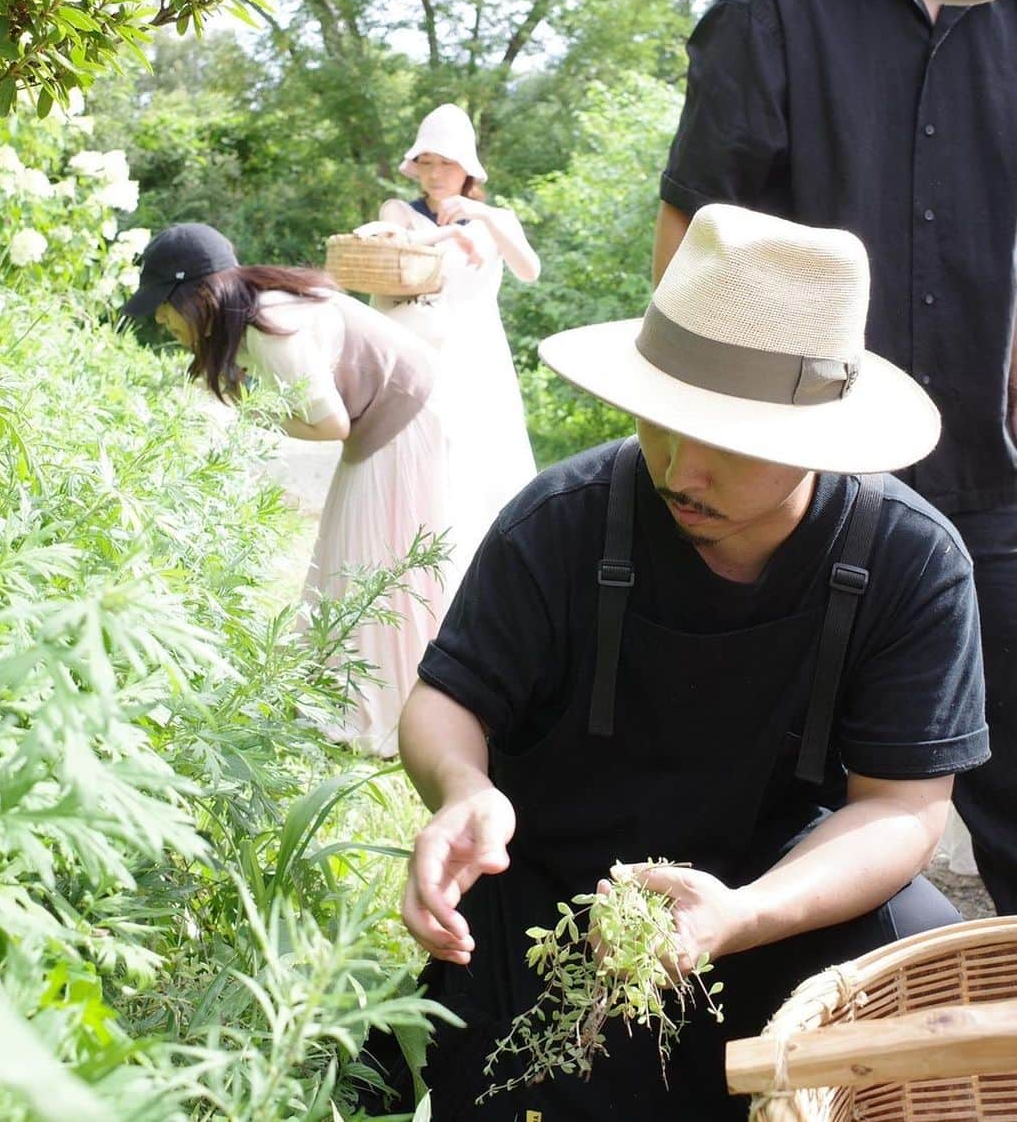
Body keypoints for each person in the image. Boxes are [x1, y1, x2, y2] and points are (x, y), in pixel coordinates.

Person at [390, 206, 987, 1120]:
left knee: (927, 962)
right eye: (663, 423)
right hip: (565, 912)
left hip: (785, 904)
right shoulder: (561, 521)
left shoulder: (912, 561)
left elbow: (902, 808)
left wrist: (743, 915)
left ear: (815, 440)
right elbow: (446, 700)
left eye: (727, 442)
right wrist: (465, 789)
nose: (680, 470)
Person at [653, 0, 1017, 914]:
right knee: (761, 826)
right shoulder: (774, 5)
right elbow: (686, 250)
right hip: (806, 497)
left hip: (996, 486)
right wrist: (690, 463)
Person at [122, 222, 454, 757]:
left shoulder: (269, 326)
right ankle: (352, 694)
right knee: (352, 555)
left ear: (197, 294)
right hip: (395, 414)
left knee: (373, 563)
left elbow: (331, 424)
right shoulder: (255, 310)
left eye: (164, 304)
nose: (160, 318)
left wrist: (256, 416)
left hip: (404, 417)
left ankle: (382, 710)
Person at [355, 103, 540, 572]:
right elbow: (387, 253)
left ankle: (480, 576)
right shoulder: (398, 211)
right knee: (419, 464)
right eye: (427, 163)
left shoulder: (495, 218)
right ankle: (410, 566)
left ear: (468, 169)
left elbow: (529, 270)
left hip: (478, 355)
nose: (435, 174)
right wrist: (444, 238)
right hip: (416, 353)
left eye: (446, 163)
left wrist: (483, 217)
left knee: (479, 467)